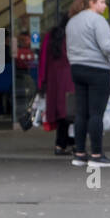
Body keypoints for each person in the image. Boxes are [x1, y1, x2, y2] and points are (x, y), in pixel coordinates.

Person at [66, 0, 110, 168]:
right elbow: (106, 46)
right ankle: (96, 154)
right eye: (102, 2)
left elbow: (69, 47)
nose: (105, 5)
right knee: (96, 114)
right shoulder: (98, 20)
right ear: (92, 2)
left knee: (81, 112)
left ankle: (79, 153)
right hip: (97, 70)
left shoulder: (72, 21)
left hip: (77, 68)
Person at [38, 15, 74, 155]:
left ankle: (60, 144)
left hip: (54, 81)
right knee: (72, 112)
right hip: (71, 78)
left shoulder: (50, 36)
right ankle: (71, 143)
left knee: (62, 114)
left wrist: (42, 81)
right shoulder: (73, 37)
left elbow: (43, 60)